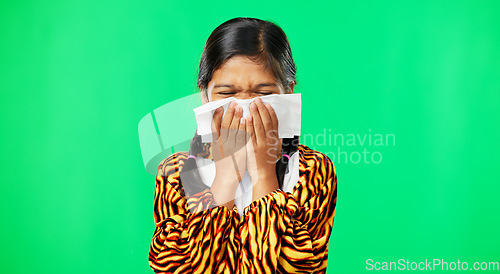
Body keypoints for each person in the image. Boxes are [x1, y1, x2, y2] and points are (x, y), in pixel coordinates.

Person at [148, 17, 337, 273]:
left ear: (289, 93)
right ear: (204, 96)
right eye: (226, 93)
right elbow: (176, 267)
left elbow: (300, 268)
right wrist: (226, 176)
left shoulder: (312, 170)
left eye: (264, 93)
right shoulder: (176, 172)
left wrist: (263, 174)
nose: (245, 106)